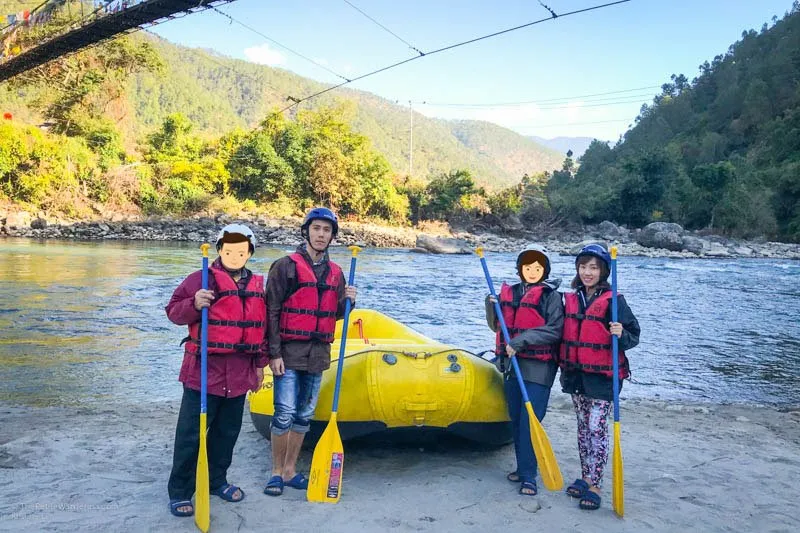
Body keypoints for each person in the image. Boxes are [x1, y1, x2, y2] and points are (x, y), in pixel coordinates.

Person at [165, 224, 268, 517]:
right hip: (203, 372)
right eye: (229, 249)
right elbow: (173, 311)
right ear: (220, 249)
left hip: (239, 373)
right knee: (191, 434)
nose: (235, 255)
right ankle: (180, 490)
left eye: (242, 250)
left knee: (227, 433)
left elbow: (261, 329)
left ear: (249, 252)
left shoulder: (256, 286)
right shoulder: (200, 279)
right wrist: (194, 303)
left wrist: (260, 365)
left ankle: (216, 480)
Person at [263, 207, 357, 496]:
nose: (321, 234)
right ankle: (276, 472)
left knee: (304, 415)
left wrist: (349, 301)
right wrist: (274, 354)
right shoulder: (285, 266)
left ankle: (290, 470)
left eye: (326, 230)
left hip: (317, 354)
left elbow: (334, 313)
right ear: (306, 232)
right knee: (284, 413)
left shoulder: (336, 273)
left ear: (332, 236)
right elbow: (272, 311)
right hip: (288, 353)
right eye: (316, 228)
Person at [559, 243, 640, 511]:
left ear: (603, 270)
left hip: (603, 378)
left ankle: (595, 484)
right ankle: (585, 476)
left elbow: (634, 336)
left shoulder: (614, 301)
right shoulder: (573, 298)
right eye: (583, 267)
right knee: (583, 429)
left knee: (596, 429)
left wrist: (621, 333)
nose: (587, 272)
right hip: (576, 375)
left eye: (593, 267)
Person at [485, 247, 563, 497]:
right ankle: (522, 469)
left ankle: (529, 476)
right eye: (527, 267)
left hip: (538, 369)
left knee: (530, 422)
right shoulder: (511, 293)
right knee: (517, 420)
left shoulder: (551, 297)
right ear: (520, 270)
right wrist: (490, 305)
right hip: (511, 367)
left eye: (537, 268)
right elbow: (496, 325)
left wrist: (521, 341)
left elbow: (555, 330)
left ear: (545, 271)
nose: (531, 272)